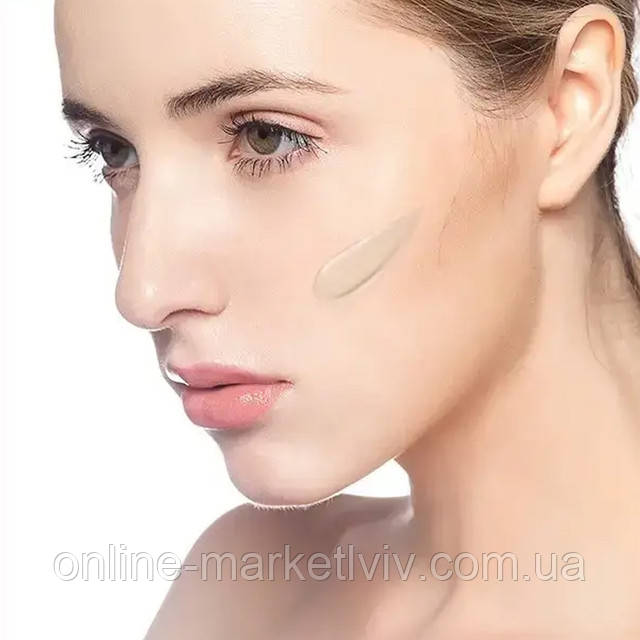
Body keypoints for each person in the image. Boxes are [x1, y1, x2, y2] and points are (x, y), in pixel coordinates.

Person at [54, 0, 640, 637]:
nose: (142, 292)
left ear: (568, 109)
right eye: (113, 151)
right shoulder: (242, 597)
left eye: (266, 137)